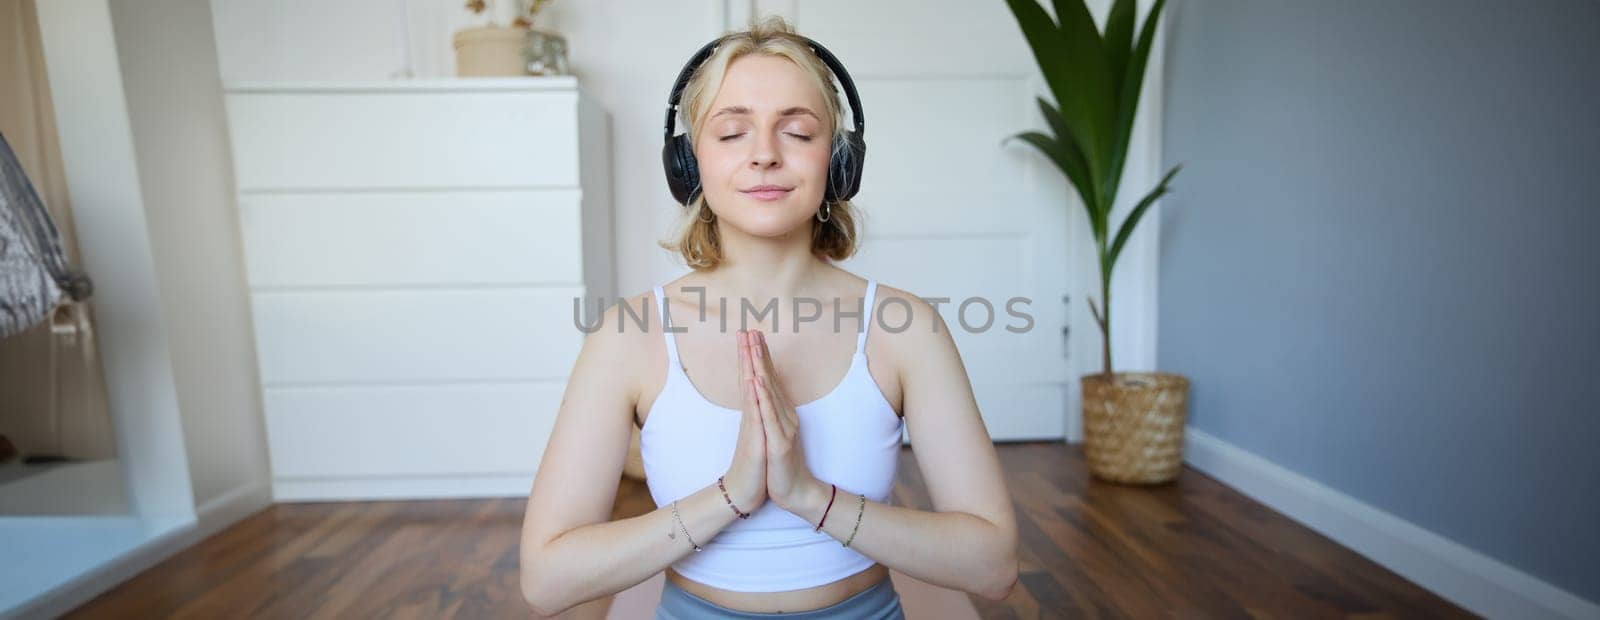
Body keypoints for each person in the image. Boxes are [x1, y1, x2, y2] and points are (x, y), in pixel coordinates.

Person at [520, 16, 1018, 618]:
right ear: (688, 163)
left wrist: (811, 497)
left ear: (838, 161)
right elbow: (546, 581)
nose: (763, 155)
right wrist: (731, 495)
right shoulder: (627, 337)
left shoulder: (906, 329)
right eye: (732, 133)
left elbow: (993, 568)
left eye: (798, 132)